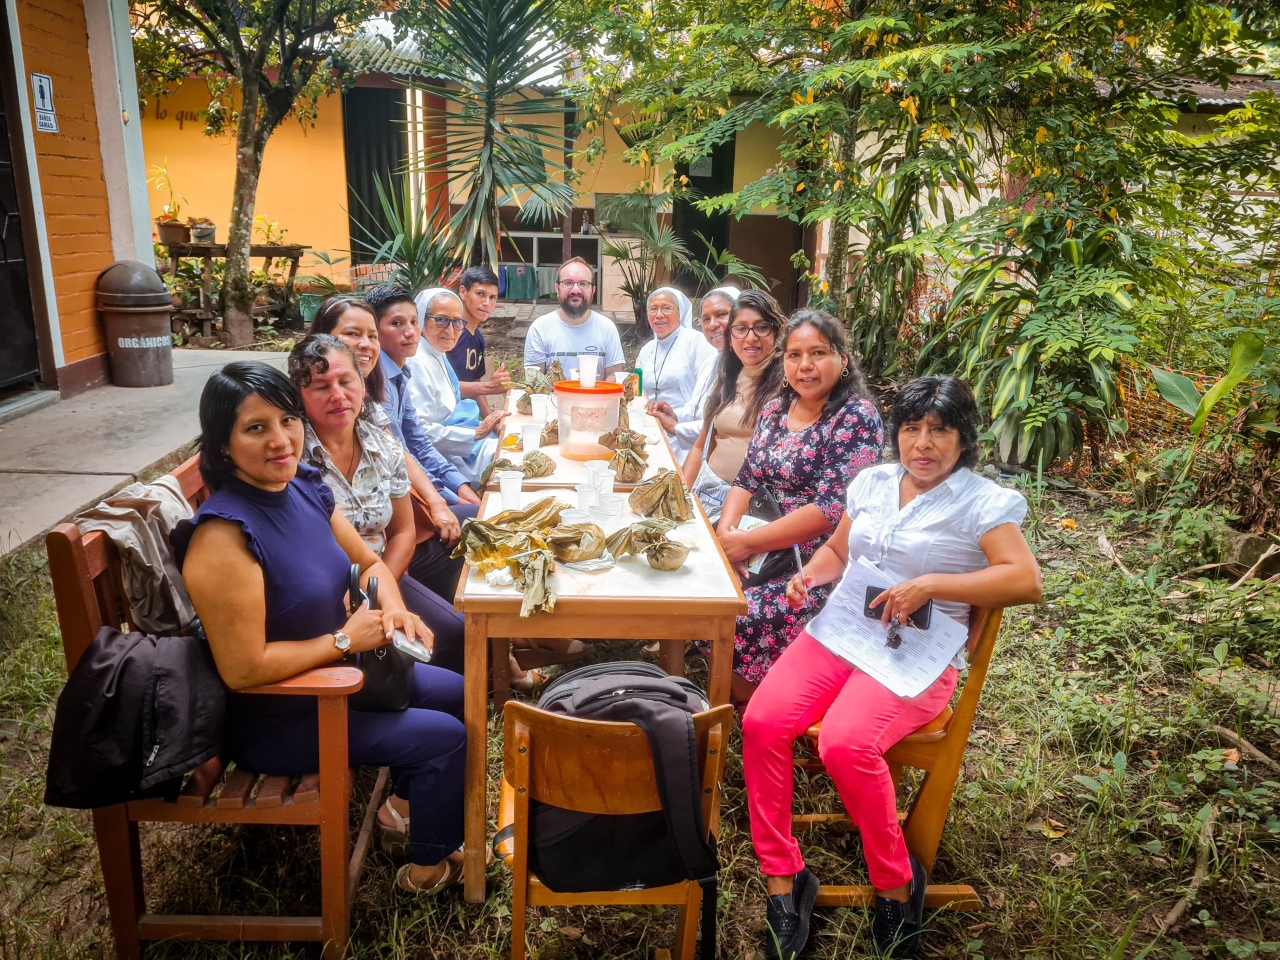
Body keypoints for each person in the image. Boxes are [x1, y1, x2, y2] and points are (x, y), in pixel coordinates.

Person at [740, 376, 1043, 959]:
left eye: (939, 430)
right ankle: (783, 875)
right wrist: (811, 575)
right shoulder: (874, 483)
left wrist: (931, 584)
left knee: (844, 744)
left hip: (918, 651)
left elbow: (1025, 580)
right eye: (911, 428)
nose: (922, 443)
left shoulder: (982, 502)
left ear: (963, 439)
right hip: (847, 632)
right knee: (762, 723)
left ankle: (896, 883)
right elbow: (839, 551)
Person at [172, 360, 468, 894]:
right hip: (283, 713)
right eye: (255, 428)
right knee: (445, 738)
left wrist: (395, 609)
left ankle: (403, 810)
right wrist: (344, 640)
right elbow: (243, 670)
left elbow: (370, 562)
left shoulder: (303, 488)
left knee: (457, 693)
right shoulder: (223, 539)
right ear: (222, 445)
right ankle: (428, 869)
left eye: (287, 420)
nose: (280, 439)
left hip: (345, 679)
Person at [715, 310, 884, 703]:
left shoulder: (855, 417)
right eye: (794, 355)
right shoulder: (776, 409)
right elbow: (746, 478)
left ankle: (764, 701)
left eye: (818, 353)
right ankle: (737, 693)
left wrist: (748, 544)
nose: (805, 365)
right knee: (703, 593)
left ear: (842, 359)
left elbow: (829, 511)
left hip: (815, 563)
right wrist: (727, 536)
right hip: (757, 542)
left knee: (740, 615)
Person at [287, 334, 469, 674]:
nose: (338, 395)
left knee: (454, 633)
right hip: (320, 592)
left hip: (379, 573)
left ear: (362, 383)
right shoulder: (291, 457)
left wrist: (378, 592)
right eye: (321, 387)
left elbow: (402, 532)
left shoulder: (383, 447)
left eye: (346, 381)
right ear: (300, 395)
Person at [308, 294, 466, 546]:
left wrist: (446, 496)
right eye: (352, 333)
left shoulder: (373, 399)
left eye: (371, 336)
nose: (365, 344)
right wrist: (444, 499)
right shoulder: (303, 423)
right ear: (322, 339)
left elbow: (405, 450)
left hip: (387, 532)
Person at [364, 285, 481, 508]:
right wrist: (446, 498)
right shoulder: (378, 383)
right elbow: (401, 457)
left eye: (414, 322)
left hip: (422, 476)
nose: (411, 332)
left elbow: (419, 442)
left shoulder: (401, 372)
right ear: (374, 330)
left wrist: (459, 486)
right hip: (394, 494)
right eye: (397, 323)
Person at [681, 290, 787, 523]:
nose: (751, 338)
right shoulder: (727, 376)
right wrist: (680, 498)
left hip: (756, 510)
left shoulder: (788, 385)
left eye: (761, 327)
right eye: (741, 329)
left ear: (776, 332)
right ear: (730, 336)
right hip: (710, 494)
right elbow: (701, 446)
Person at [405, 287, 509, 486]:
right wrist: (475, 434)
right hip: (447, 457)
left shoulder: (435, 352)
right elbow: (419, 432)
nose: (450, 330)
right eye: (441, 320)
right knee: (513, 461)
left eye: (457, 322)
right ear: (420, 320)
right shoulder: (416, 362)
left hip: (462, 439)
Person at [636, 286, 719, 465]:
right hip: (651, 430)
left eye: (667, 308)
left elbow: (706, 394)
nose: (659, 315)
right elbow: (638, 391)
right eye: (653, 309)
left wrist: (675, 420)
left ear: (680, 314)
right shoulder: (646, 350)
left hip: (687, 433)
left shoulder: (695, 342)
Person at [523, 257, 626, 378]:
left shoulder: (607, 328)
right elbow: (534, 381)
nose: (575, 290)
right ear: (557, 288)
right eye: (568, 283)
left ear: (593, 290)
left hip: (596, 391)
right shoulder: (540, 328)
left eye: (583, 283)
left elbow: (613, 376)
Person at [450, 265, 512, 417]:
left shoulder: (478, 338)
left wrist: (490, 419)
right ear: (463, 292)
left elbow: (475, 383)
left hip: (467, 417)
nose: (487, 303)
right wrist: (489, 387)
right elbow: (441, 387)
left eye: (492, 297)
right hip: (444, 418)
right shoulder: (449, 334)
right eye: (480, 294)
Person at [698, 285, 741, 351]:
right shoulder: (707, 357)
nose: (712, 325)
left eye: (721, 314)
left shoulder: (755, 356)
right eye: (706, 319)